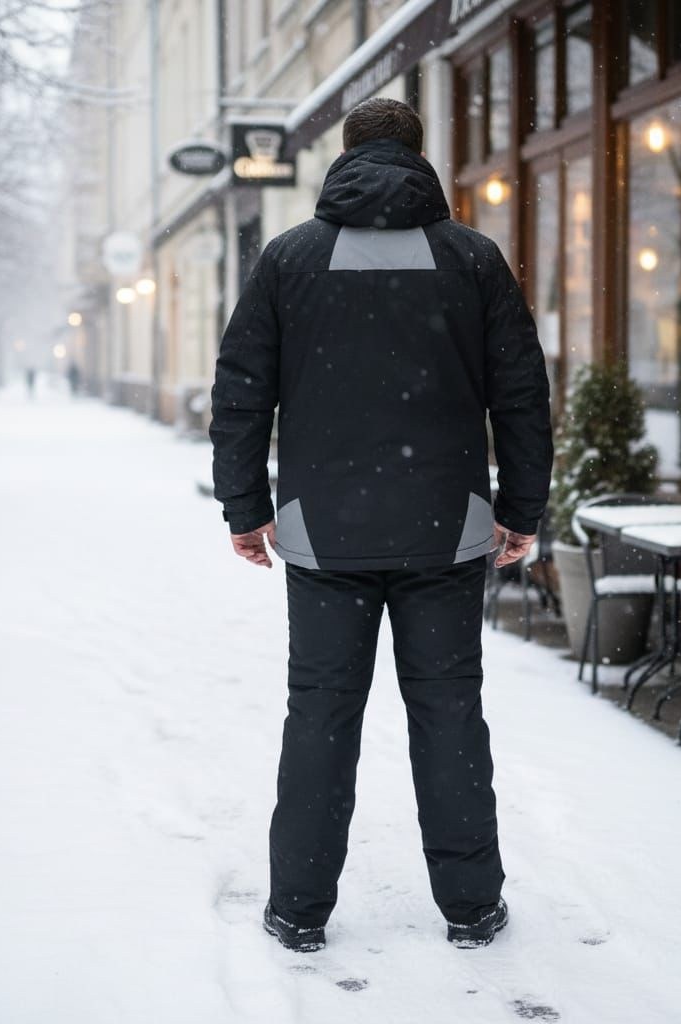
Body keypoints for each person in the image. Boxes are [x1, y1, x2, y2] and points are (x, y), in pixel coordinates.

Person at [210, 98, 552, 953]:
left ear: (346, 155)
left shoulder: (290, 259)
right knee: (449, 714)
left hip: (325, 532)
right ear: (420, 156)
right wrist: (521, 511)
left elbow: (241, 391)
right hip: (446, 528)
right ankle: (472, 907)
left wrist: (246, 509)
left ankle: (298, 908)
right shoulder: (473, 260)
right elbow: (522, 395)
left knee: (321, 715)